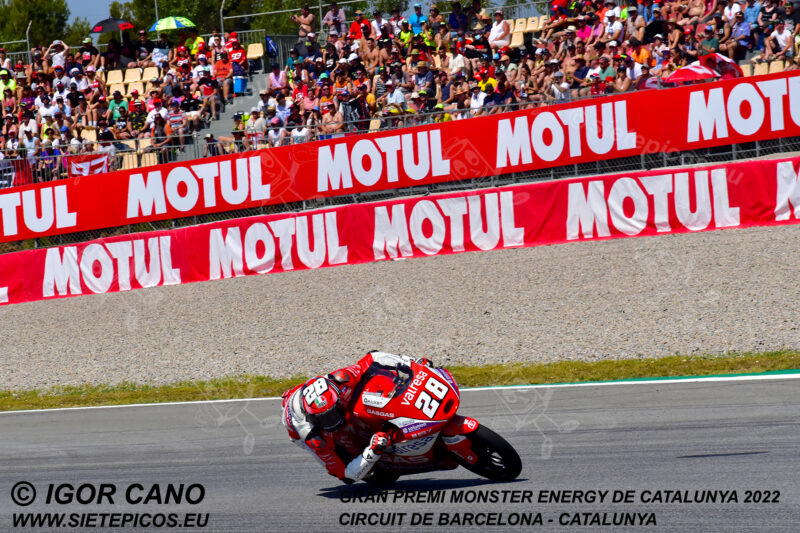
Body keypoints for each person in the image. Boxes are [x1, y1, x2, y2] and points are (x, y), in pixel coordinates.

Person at [281, 352, 434, 483]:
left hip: (310, 395)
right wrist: (372, 452)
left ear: (338, 398)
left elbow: (372, 358)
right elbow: (345, 475)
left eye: (333, 414)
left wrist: (411, 363)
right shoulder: (311, 435)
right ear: (312, 419)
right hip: (296, 427)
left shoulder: (341, 378)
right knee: (340, 455)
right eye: (324, 419)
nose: (332, 421)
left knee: (371, 379)